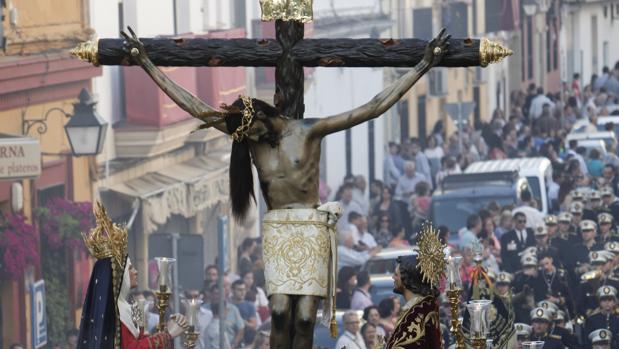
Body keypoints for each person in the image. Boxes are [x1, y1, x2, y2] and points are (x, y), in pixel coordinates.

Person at [123, 26, 450, 348]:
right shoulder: (249, 137)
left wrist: (422, 65)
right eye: (246, 140)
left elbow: (374, 106)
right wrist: (148, 64)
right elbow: (194, 107)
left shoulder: (308, 131)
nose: (252, 143)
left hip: (310, 225)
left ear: (262, 116)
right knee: (279, 312)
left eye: (254, 134)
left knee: (306, 316)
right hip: (279, 227)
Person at [78, 203, 187, 348]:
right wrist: (167, 335)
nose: (135, 272)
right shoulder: (112, 311)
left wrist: (163, 330)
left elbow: (139, 339)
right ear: (117, 276)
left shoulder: (125, 306)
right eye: (130, 268)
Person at [385, 251, 442, 348]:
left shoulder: (418, 312)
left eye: (396, 275)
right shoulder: (421, 307)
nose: (393, 277)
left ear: (406, 278)